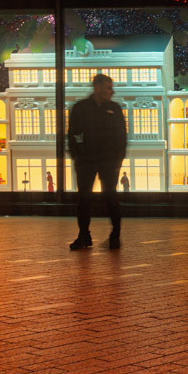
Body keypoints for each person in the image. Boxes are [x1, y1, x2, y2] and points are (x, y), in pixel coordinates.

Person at [67, 74, 128, 251]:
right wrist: (78, 155)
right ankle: (84, 235)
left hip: (108, 161)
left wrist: (118, 159)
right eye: (108, 88)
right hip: (87, 161)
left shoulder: (113, 108)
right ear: (97, 88)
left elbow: (121, 136)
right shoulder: (81, 108)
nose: (112, 91)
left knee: (110, 197)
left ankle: (114, 235)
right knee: (84, 198)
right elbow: (72, 134)